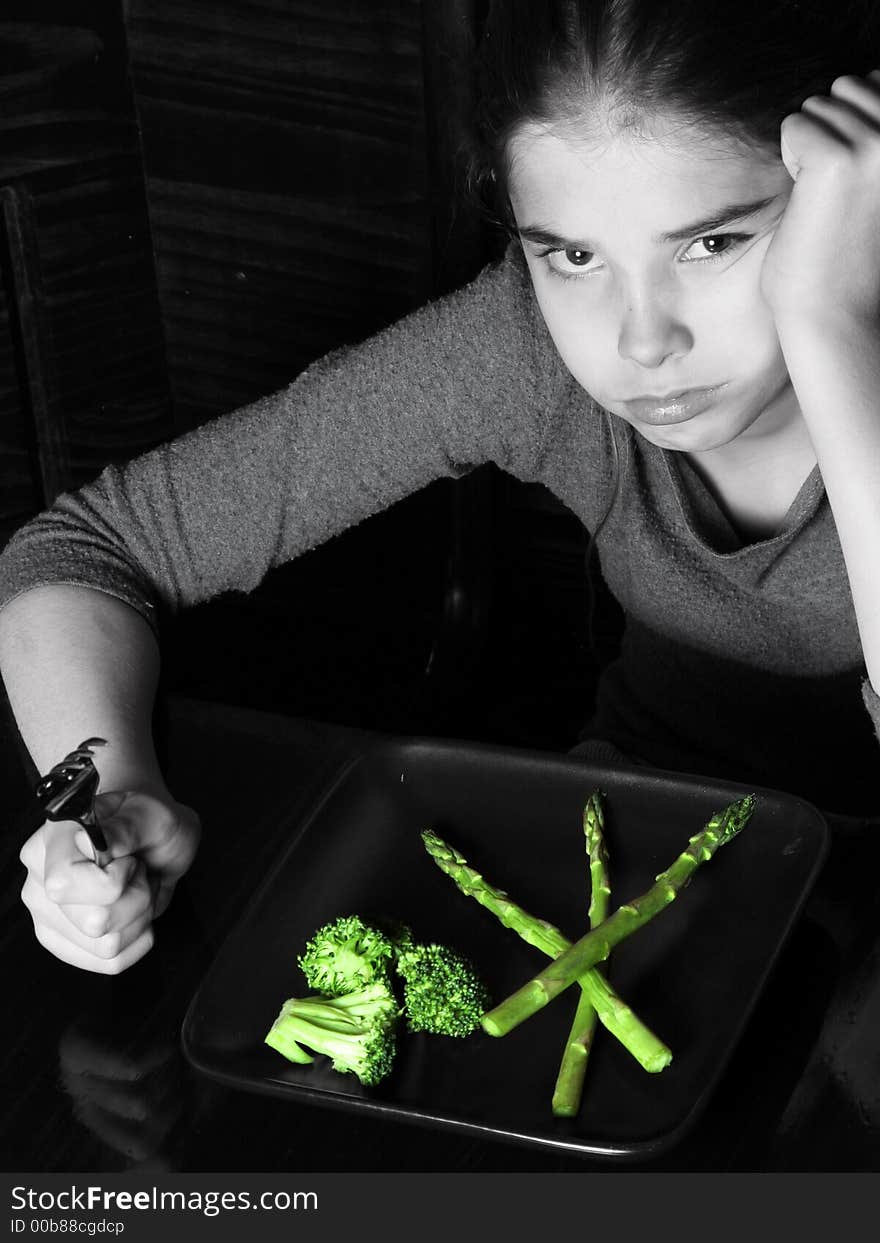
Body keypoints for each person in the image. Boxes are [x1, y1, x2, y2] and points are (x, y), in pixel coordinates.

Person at [2, 0, 879, 974]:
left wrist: (832, 331)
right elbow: (80, 552)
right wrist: (108, 796)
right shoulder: (529, 348)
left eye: (712, 243)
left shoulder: (839, 320)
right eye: (574, 255)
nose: (643, 343)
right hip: (628, 876)